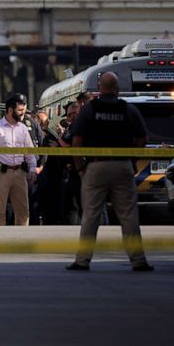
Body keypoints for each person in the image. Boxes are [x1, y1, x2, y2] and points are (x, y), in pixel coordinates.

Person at [66, 72, 154, 272]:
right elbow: (142, 139)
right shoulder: (128, 109)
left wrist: (80, 168)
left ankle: (82, 260)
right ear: (117, 88)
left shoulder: (89, 110)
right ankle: (138, 260)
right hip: (122, 166)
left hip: (96, 166)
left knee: (90, 214)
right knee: (128, 214)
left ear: (100, 88)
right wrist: (131, 159)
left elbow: (76, 143)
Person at [0, 94, 36, 226]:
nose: (23, 113)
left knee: (23, 212)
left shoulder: (23, 128)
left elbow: (29, 151)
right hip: (1, 174)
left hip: (20, 174)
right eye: (20, 110)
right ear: (10, 110)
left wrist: (32, 168)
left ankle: (21, 243)